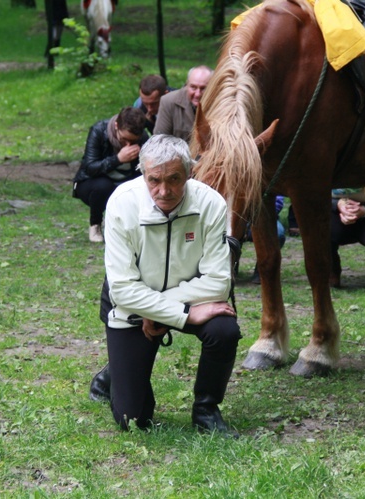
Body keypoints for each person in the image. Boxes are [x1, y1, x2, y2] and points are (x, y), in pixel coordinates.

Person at [88, 134, 241, 434]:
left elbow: (219, 282)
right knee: (132, 419)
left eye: (174, 179)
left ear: (189, 173)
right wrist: (179, 312)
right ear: (143, 173)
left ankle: (206, 410)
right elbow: (122, 289)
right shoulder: (121, 203)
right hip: (130, 306)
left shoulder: (211, 203)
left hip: (181, 299)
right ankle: (113, 376)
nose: (164, 190)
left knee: (224, 329)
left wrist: (163, 309)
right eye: (154, 179)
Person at [73, 106, 149, 243]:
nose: (128, 144)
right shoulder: (99, 131)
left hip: (125, 182)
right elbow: (90, 167)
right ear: (116, 126)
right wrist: (118, 159)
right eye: (124, 139)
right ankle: (95, 224)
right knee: (103, 186)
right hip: (92, 183)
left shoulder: (143, 138)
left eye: (133, 141)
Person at [154, 66, 213, 143]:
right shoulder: (168, 102)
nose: (197, 94)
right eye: (193, 87)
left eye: (203, 88)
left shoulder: (222, 104)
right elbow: (159, 141)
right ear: (187, 84)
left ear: (212, 87)